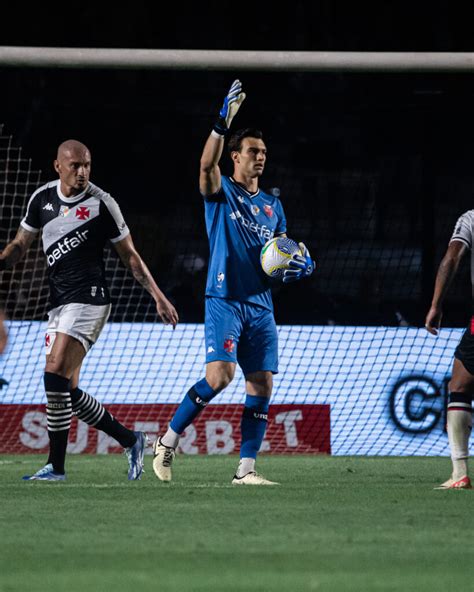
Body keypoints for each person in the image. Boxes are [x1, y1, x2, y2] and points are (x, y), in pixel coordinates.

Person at [152, 80, 313, 485]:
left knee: (261, 385)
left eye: (263, 153)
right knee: (219, 377)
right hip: (223, 298)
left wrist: (301, 264)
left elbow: (281, 257)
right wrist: (221, 123)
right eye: (253, 152)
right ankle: (167, 441)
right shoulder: (221, 190)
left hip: (260, 305)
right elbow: (206, 166)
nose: (260, 158)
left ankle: (246, 469)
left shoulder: (274, 207)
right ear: (236, 157)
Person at [0, 139, 178, 481]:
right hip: (58, 303)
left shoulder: (102, 204)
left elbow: (131, 257)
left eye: (87, 166)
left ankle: (56, 467)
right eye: (75, 166)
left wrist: (157, 294)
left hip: (91, 299)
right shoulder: (42, 199)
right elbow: (21, 244)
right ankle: (132, 440)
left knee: (52, 375)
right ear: (58, 167)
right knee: (65, 389)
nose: (82, 172)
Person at [425, 210, 474, 489]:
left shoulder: (470, 219)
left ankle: (459, 473)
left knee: (460, 385)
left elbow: (451, 258)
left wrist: (435, 305)